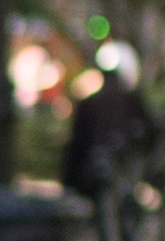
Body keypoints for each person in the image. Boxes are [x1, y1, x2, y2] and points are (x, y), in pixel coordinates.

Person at [61, 38, 156, 205]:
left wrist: (69, 183)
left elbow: (76, 145)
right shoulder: (133, 101)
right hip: (119, 179)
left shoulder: (90, 102)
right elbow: (150, 137)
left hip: (99, 179)